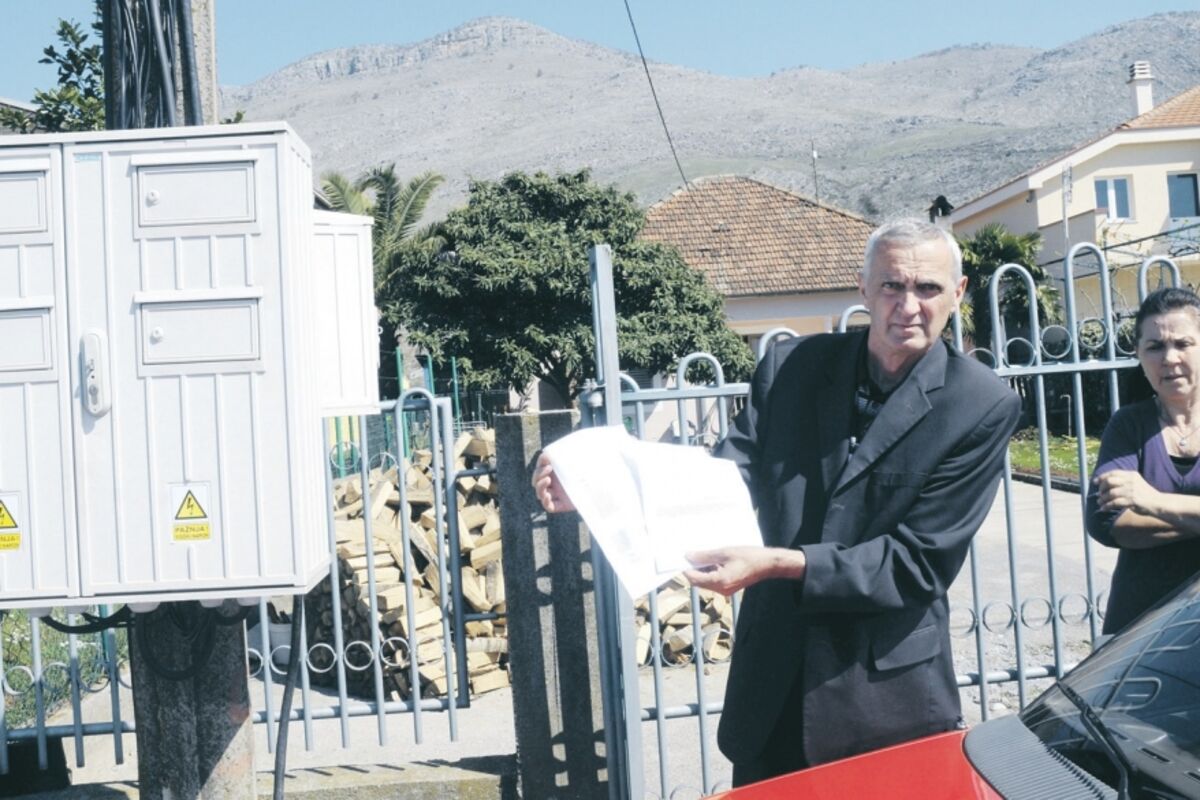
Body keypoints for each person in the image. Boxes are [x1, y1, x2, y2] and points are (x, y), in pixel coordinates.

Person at [534, 218, 1021, 786]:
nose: (908, 305)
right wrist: (596, 486)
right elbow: (723, 479)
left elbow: (916, 565)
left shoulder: (980, 405)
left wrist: (778, 564)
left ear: (957, 293)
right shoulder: (792, 367)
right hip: (771, 695)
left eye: (928, 288)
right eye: (892, 285)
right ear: (863, 288)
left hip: (885, 702)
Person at [1087, 287, 1200, 635]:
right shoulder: (1128, 425)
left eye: (1182, 344)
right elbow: (1106, 522)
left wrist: (1152, 502)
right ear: (1138, 354)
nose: (1169, 358)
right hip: (1138, 628)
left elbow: (1135, 512)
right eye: (1155, 347)